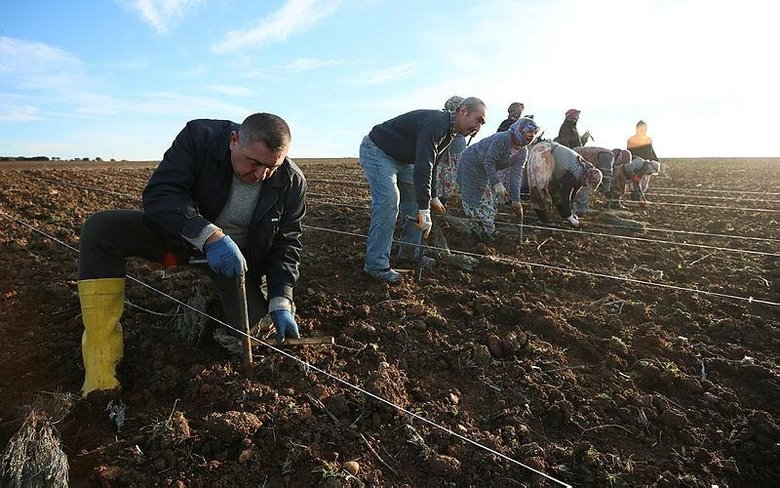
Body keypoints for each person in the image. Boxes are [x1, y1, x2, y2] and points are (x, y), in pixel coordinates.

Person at [76, 113, 306, 397]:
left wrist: (281, 298)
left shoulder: (291, 182)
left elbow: (287, 243)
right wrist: (209, 236)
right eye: (254, 163)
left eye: (272, 167)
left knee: (253, 332)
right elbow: (162, 194)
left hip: (236, 265)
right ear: (234, 141)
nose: (261, 175)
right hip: (184, 240)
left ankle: (234, 303)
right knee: (102, 229)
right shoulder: (200, 139)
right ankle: (101, 363)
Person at [360, 97, 487, 284]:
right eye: (478, 119)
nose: (478, 127)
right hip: (378, 151)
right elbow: (423, 164)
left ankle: (409, 253)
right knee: (388, 202)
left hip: (403, 159)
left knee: (414, 201)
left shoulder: (450, 132)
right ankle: (376, 265)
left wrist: (432, 196)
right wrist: (425, 209)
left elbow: (433, 163)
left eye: (482, 123)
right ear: (463, 111)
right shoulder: (436, 123)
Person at [457, 117, 540, 240]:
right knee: (479, 197)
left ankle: (484, 228)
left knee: (491, 200)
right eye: (528, 132)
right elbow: (489, 162)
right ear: (519, 130)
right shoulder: (502, 139)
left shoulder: (523, 152)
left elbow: (516, 175)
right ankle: (481, 230)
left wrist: (516, 199)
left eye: (533, 134)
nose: (531, 136)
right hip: (472, 162)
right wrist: (496, 183)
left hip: (487, 168)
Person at [526, 141, 603, 227]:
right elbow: (565, 195)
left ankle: (557, 215)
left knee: (554, 190)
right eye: (589, 183)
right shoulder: (574, 173)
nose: (587, 185)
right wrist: (569, 217)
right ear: (588, 178)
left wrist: (571, 213)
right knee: (540, 185)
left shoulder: (583, 173)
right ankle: (542, 219)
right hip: (544, 150)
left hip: (554, 158)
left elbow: (572, 195)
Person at [572, 146, 632, 213]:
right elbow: (606, 174)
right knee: (594, 177)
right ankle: (579, 205)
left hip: (576, 160)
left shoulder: (609, 156)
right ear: (620, 157)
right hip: (574, 159)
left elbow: (611, 176)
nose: (620, 164)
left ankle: (578, 203)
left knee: (591, 176)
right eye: (622, 162)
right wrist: (607, 190)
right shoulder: (608, 155)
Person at [433, 96, 467, 206]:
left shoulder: (453, 121)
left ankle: (443, 204)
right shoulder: (446, 121)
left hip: (452, 156)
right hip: (446, 157)